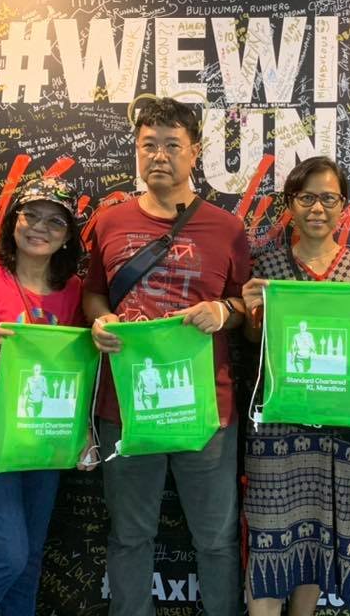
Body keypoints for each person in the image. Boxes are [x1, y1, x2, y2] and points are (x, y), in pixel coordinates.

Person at [84, 97, 251, 616]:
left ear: (195, 152)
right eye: (148, 145)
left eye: (172, 145)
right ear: (136, 150)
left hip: (206, 407)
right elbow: (94, 293)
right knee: (129, 535)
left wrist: (224, 312)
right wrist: (100, 320)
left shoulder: (226, 228)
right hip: (126, 404)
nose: (159, 155)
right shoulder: (108, 223)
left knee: (217, 538)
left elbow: (249, 305)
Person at [240, 156, 350, 615]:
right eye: (306, 197)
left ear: (343, 206)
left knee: (321, 530)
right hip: (277, 429)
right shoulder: (267, 267)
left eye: (328, 198)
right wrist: (250, 311)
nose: (317, 208)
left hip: (338, 430)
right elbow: (254, 342)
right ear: (290, 204)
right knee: (269, 534)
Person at [0, 177, 85, 615]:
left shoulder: (74, 290)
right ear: (13, 222)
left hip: (46, 438)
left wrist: (83, 432)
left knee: (29, 560)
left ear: (68, 236)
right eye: (31, 215)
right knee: (7, 556)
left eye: (55, 222)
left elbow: (82, 369)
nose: (40, 227)